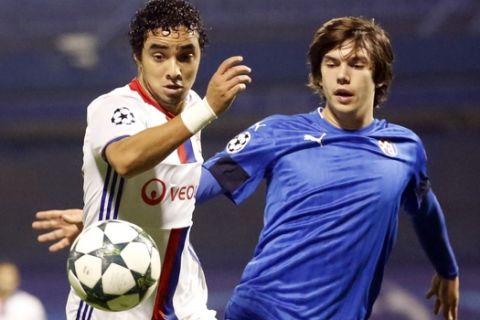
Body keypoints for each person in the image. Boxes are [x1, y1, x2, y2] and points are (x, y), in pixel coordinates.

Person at [33, 16, 459, 320]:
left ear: (379, 77)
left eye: (357, 65)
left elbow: (424, 208)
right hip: (261, 310)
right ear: (318, 75)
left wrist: (447, 269)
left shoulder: (405, 148)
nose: (342, 77)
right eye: (332, 65)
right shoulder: (277, 135)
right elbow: (207, 180)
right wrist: (116, 213)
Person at [32, 0, 251, 319]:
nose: (174, 70)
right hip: (114, 304)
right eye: (159, 55)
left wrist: (98, 216)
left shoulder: (191, 105)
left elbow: (174, 183)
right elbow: (126, 158)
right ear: (138, 57)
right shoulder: (113, 107)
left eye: (185, 56)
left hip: (181, 300)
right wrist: (208, 110)